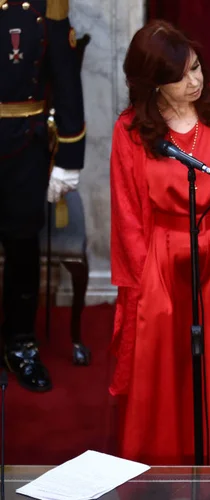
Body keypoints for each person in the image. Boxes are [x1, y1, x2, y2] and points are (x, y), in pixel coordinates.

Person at [109, 19, 210, 465]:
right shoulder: (130, 130)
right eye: (181, 76)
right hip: (162, 261)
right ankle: (167, 482)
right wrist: (145, 282)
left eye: (197, 67)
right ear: (154, 86)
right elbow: (127, 214)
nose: (195, 81)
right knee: (164, 376)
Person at [1, 0, 86, 392]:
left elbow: (66, 77)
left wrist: (69, 156)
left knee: (22, 250)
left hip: (24, 149)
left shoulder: (46, 3)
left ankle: (20, 345)